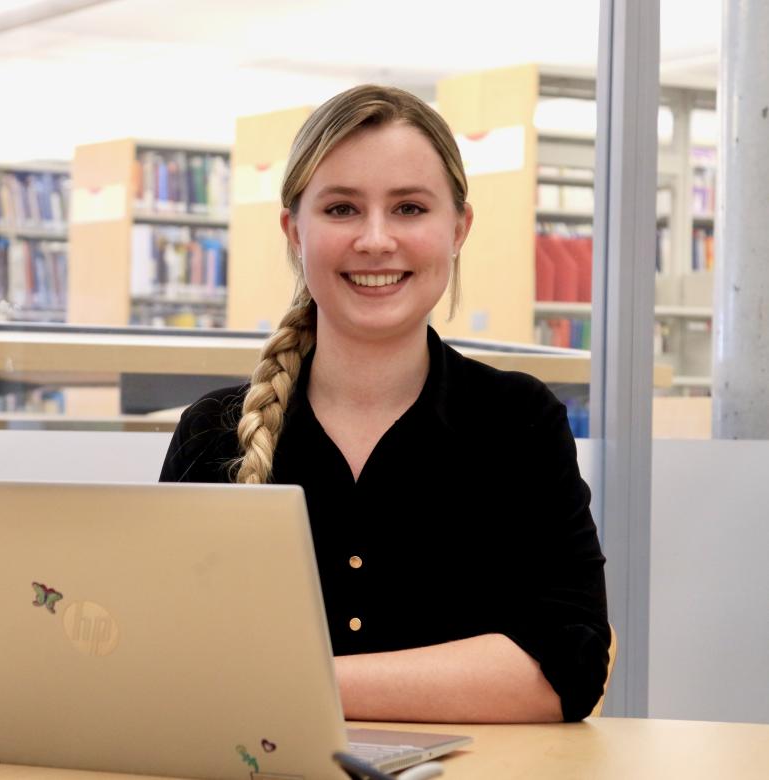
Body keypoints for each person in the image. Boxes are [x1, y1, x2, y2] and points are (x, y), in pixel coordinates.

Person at [159, 85, 610, 723]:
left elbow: (570, 664)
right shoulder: (214, 432)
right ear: (294, 230)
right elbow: (166, 661)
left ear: (459, 228)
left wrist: (295, 682)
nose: (375, 240)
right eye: (342, 209)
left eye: (408, 208)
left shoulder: (518, 420)